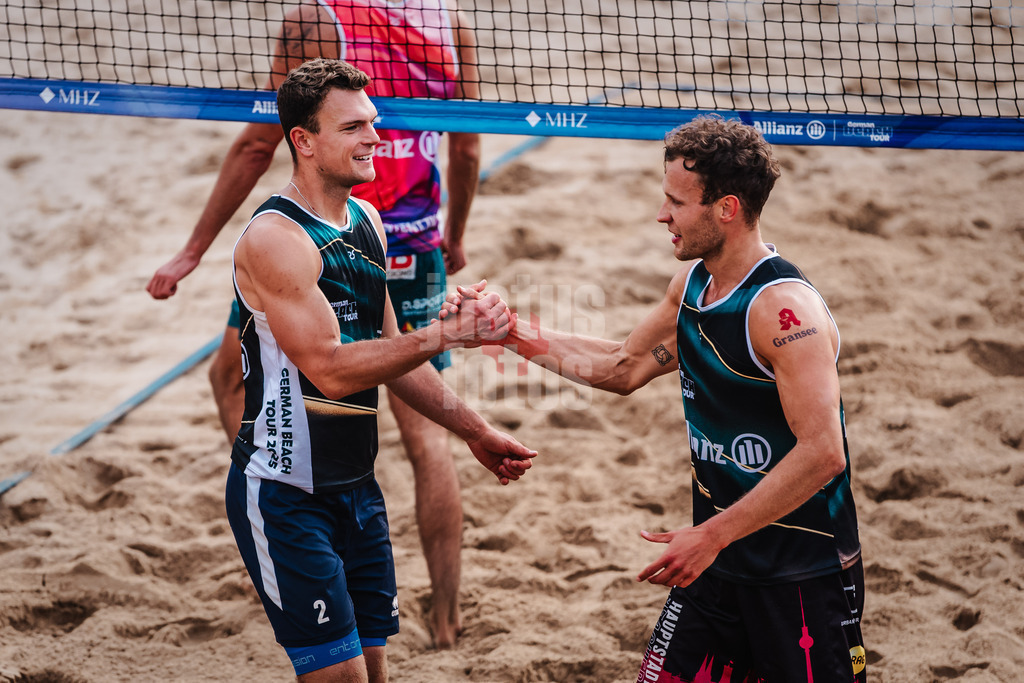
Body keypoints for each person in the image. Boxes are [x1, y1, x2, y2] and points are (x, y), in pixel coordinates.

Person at [446, 116, 865, 682]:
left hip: (799, 572)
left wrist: (710, 536)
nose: (661, 215)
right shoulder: (694, 285)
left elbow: (824, 453)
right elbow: (622, 367)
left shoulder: (784, 312)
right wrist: (507, 330)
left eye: (677, 202)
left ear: (727, 209)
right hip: (714, 560)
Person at [146, 0, 481, 648]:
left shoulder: (315, 20)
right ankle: (446, 614)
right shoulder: (449, 21)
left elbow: (257, 143)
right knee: (426, 434)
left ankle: (280, 548)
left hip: (324, 239)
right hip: (414, 239)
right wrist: (454, 235)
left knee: (231, 379)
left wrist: (192, 250)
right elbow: (466, 144)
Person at [225, 57, 534, 682]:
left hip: (358, 491)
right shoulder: (276, 239)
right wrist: (448, 334)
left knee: (374, 672)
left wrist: (474, 430)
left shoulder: (367, 222)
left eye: (372, 121)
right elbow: (332, 371)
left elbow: (391, 353)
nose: (375, 137)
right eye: (353, 128)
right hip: (287, 495)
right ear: (303, 141)